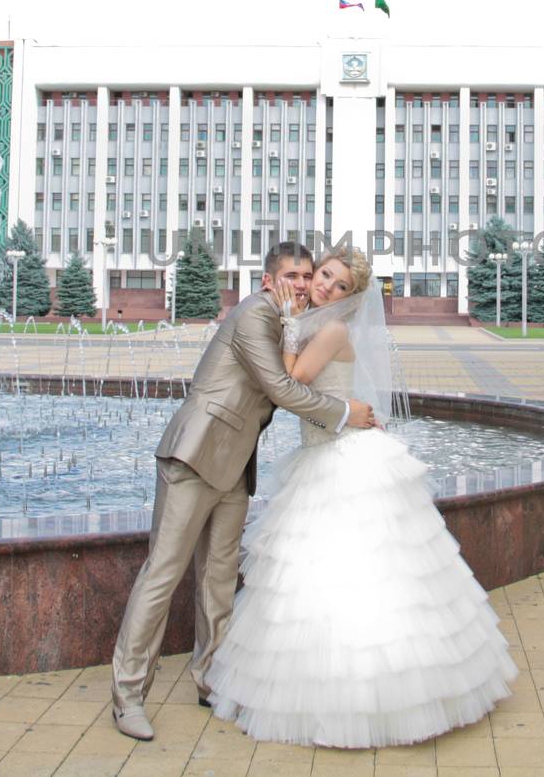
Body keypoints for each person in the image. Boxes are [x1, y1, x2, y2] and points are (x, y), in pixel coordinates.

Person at [205, 245, 516, 748]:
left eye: (338, 284)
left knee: (353, 572)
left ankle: (379, 693)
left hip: (341, 458)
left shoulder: (327, 330)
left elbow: (293, 381)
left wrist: (286, 323)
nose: (325, 286)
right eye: (324, 275)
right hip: (325, 451)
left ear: (352, 298)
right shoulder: (314, 323)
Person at [110, 242, 378, 742]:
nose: (304, 285)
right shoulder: (255, 315)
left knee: (218, 579)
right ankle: (127, 696)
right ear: (268, 281)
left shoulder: (292, 323)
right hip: (194, 456)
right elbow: (281, 387)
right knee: (162, 576)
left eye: (309, 275)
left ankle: (210, 680)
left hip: (234, 467)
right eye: (294, 276)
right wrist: (345, 414)